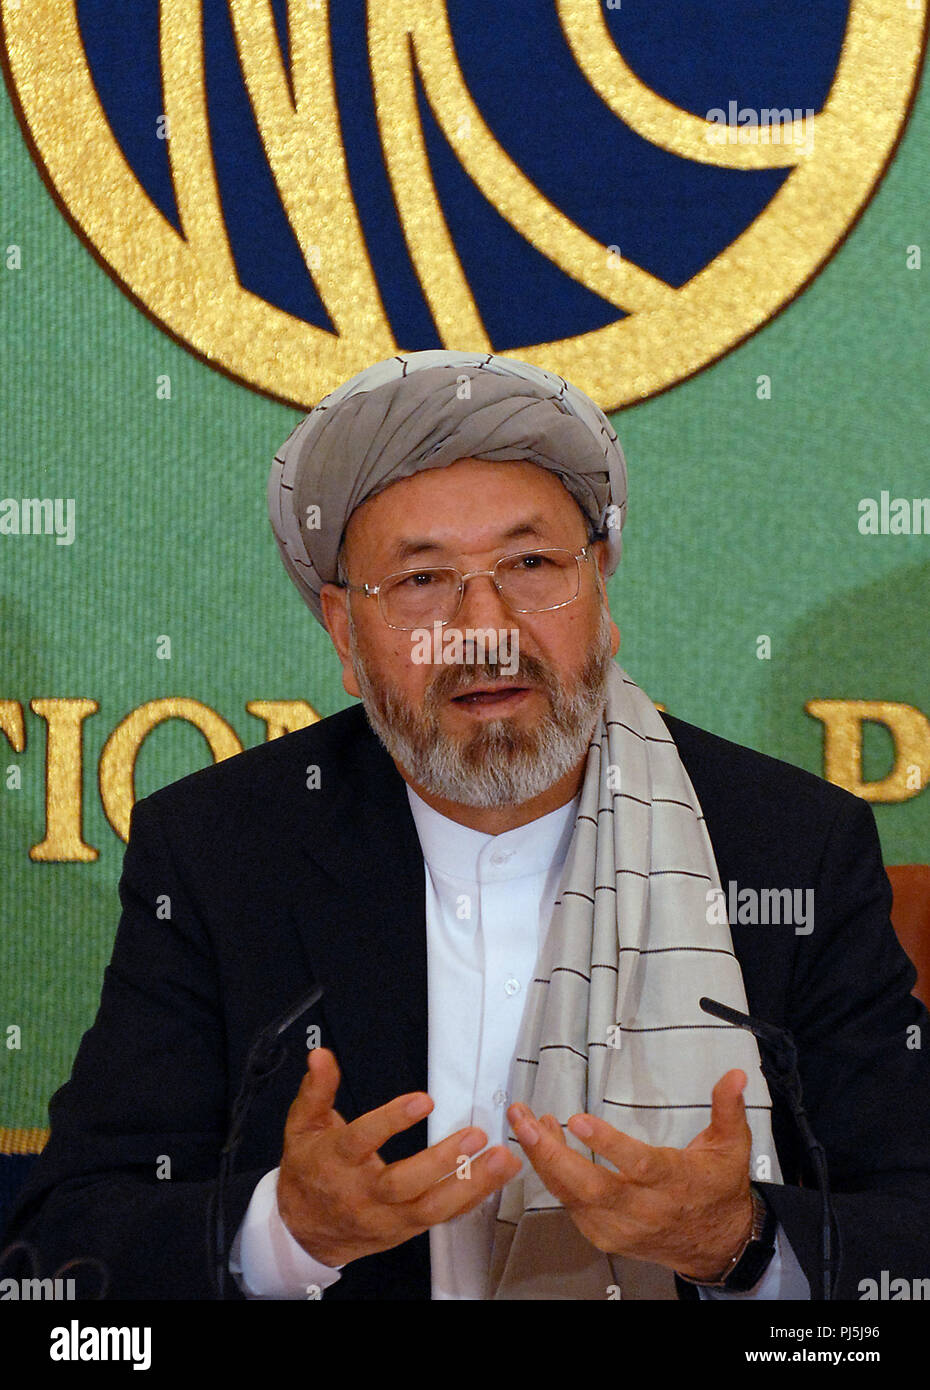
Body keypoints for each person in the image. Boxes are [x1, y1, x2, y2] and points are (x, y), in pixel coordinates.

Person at [4, 351, 929, 1301]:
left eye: (530, 564)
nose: (483, 626)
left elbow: (912, 1222)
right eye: (420, 582)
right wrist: (286, 1233)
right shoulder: (221, 854)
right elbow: (63, 1253)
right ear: (344, 636)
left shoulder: (788, 846)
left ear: (600, 594)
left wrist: (742, 1240)